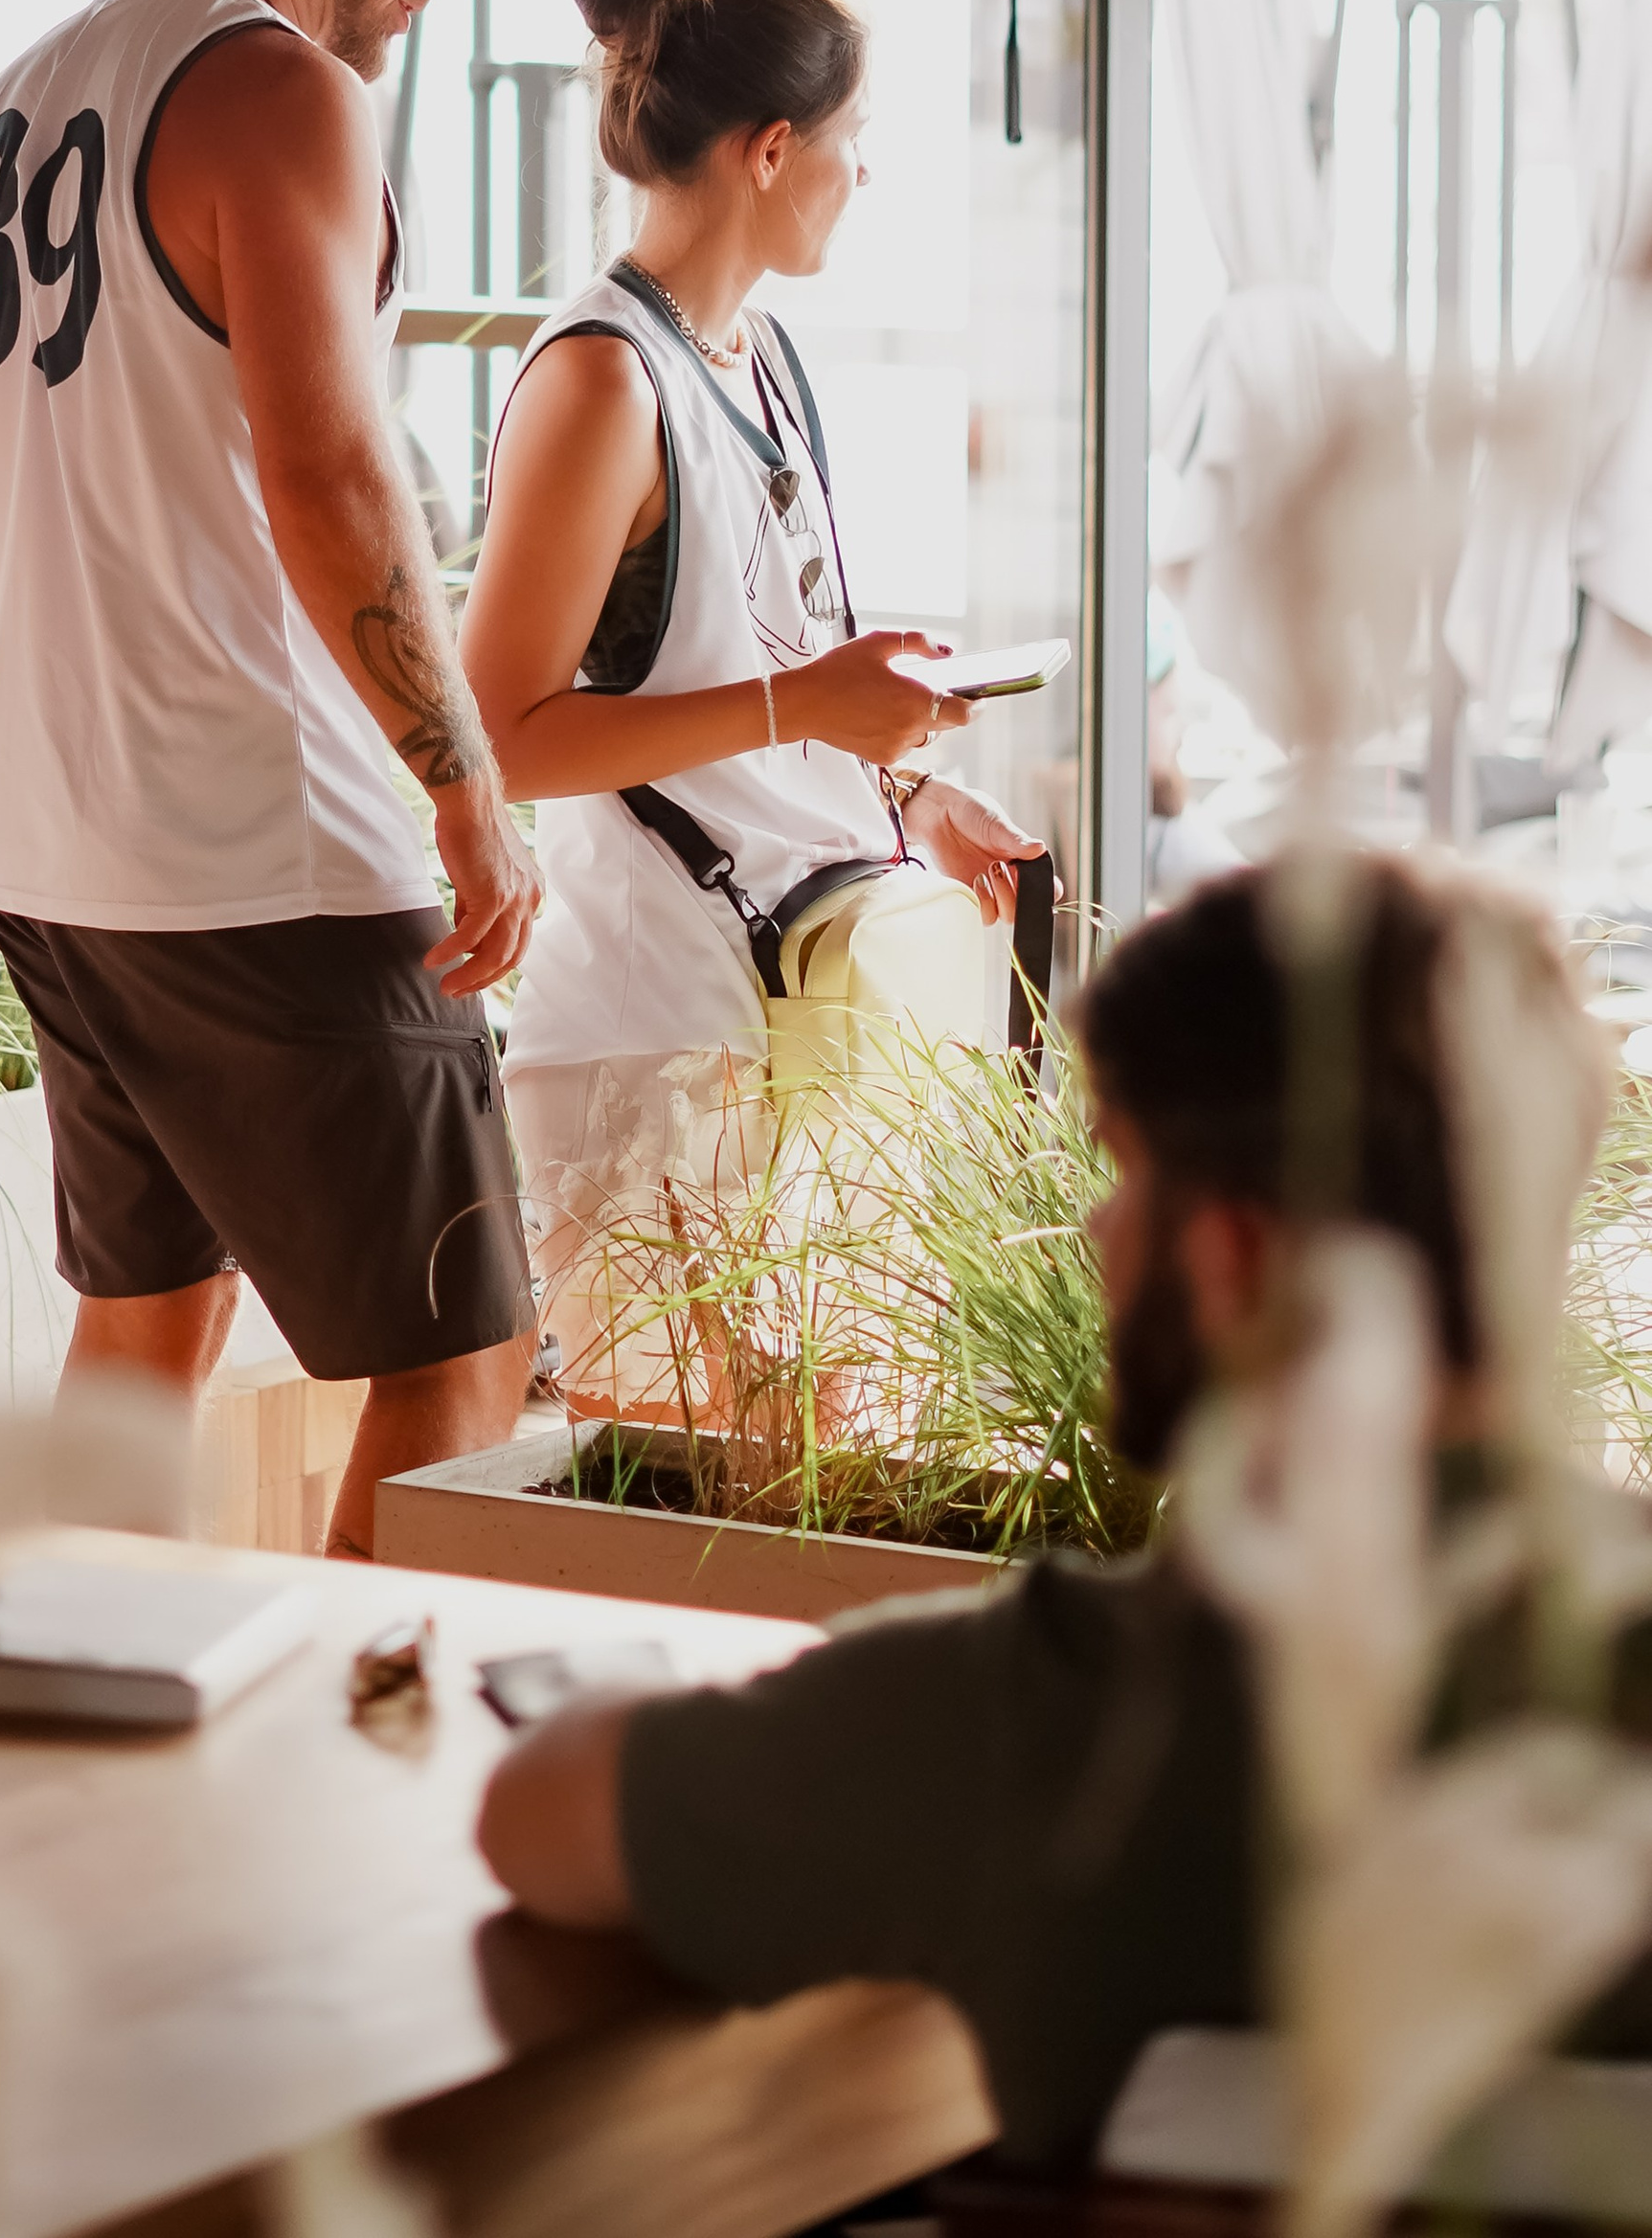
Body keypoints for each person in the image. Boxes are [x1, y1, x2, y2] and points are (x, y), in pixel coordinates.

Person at [475, 853, 1652, 2171]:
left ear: (1237, 1253)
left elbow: (539, 1817)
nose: (1098, 1236)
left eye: (1124, 1173)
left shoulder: (1036, 1716)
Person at [0, 0, 539, 1559]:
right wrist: (468, 789)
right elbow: (332, 480)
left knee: (143, 1332)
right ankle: (368, 1794)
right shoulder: (281, 98)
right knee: (456, 1357)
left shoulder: (8, 102)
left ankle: (68, 1730)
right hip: (272, 857)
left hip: (50, 848)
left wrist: (34, 727)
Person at [460, 0, 1047, 1406]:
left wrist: (906, 796)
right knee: (686, 1512)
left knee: (807, 1483)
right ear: (774, 149)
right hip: (653, 1042)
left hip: (782, 1018)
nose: (866, 175)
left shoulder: (759, 356)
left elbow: (763, 667)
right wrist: (811, 703)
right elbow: (500, 736)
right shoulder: (601, 379)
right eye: (855, 142)